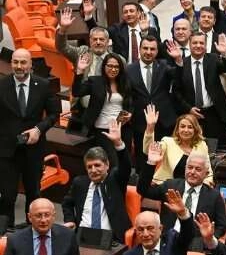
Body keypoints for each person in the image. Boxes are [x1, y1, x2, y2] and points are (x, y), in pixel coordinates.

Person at [0, 48, 61, 226]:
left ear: (30, 64)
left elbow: (54, 114)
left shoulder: (43, 85)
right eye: (15, 62)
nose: (19, 66)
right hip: (6, 151)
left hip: (34, 150)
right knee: (7, 196)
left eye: (23, 62)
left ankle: (32, 231)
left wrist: (38, 129)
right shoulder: (2, 85)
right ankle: (6, 234)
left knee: (33, 194)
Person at [138, 146, 226, 245]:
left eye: (198, 169)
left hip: (196, 244)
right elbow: (143, 190)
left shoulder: (214, 196)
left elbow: (221, 226)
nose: (192, 172)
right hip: (167, 241)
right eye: (190, 167)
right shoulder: (170, 186)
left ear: (206, 174)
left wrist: (207, 240)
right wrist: (151, 163)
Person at [62, 120, 131, 244]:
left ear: (107, 165)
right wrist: (70, 219)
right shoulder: (80, 183)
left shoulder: (115, 180)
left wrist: (118, 144)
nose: (93, 170)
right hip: (83, 236)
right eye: (89, 167)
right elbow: (67, 203)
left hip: (110, 238)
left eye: (97, 165)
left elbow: (125, 167)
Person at [126, 35, 181, 173]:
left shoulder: (163, 65)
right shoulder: (129, 69)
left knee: (166, 159)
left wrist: (178, 60)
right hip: (141, 123)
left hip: (164, 121)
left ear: (157, 51)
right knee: (143, 160)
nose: (148, 52)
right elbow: (127, 95)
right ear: (139, 49)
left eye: (152, 49)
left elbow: (178, 77)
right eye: (145, 48)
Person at [172, 31, 226, 148]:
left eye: (201, 43)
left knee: (216, 149)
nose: (198, 45)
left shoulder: (213, 59)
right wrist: (188, 108)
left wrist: (225, 54)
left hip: (214, 113)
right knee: (193, 149)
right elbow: (176, 91)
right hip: (191, 115)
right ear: (189, 44)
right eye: (195, 43)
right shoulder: (182, 64)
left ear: (205, 45)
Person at [72, 52, 133, 166]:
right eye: (110, 66)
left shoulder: (125, 83)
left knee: (124, 162)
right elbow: (77, 92)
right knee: (113, 163)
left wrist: (130, 114)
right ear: (104, 66)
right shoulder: (95, 81)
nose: (113, 69)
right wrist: (79, 71)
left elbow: (130, 102)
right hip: (103, 129)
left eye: (116, 67)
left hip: (122, 128)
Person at [56, 1, 110, 111]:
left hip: (107, 108)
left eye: (101, 39)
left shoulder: (114, 58)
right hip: (83, 108)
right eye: (94, 39)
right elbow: (62, 47)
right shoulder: (82, 52)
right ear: (90, 41)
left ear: (108, 42)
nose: (98, 42)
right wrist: (63, 29)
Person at [142, 105, 214, 185]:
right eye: (182, 126)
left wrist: (205, 186)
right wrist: (150, 127)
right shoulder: (167, 142)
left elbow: (208, 172)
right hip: (166, 186)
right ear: (177, 130)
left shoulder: (201, 145)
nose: (186, 130)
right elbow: (149, 151)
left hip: (192, 188)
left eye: (190, 127)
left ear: (195, 130)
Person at [85, 1, 160, 64]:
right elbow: (98, 32)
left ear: (139, 13)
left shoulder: (151, 30)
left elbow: (158, 51)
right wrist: (88, 16)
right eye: (125, 12)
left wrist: (144, 32)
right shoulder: (117, 29)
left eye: (131, 11)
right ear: (123, 16)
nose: (128, 14)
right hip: (124, 70)